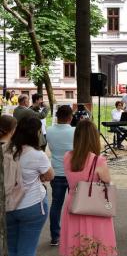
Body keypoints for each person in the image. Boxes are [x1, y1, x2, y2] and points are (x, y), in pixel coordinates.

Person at [59, 120, 117, 256]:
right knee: (95, 252)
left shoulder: (67, 157)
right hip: (93, 207)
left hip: (73, 205)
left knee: (76, 250)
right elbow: (108, 182)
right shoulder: (98, 161)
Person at [6, 117, 55, 256]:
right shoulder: (37, 154)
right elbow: (49, 176)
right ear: (36, 133)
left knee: (11, 248)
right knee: (27, 248)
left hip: (7, 205)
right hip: (32, 206)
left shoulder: (5, 150)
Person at [46, 105, 75, 246]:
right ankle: (74, 233)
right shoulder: (75, 131)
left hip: (56, 172)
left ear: (57, 116)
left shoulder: (49, 130)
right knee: (75, 205)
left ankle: (55, 236)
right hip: (73, 173)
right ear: (71, 117)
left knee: (56, 205)